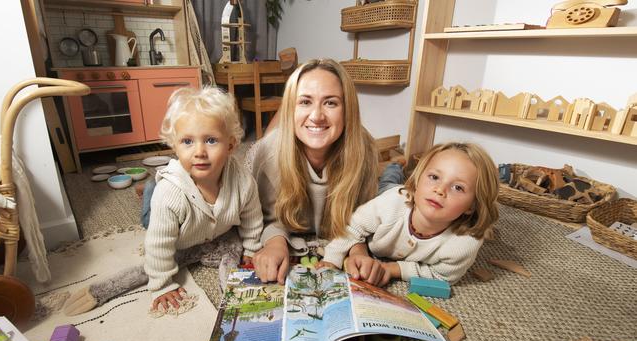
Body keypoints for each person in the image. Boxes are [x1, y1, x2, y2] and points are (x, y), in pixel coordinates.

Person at [64, 86, 263, 315]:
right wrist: (162, 284)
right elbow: (158, 245)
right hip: (174, 223)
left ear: (231, 145)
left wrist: (251, 247)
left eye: (210, 140)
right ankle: (149, 188)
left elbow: (252, 216)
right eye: (187, 141)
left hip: (208, 224)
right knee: (152, 213)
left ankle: (148, 185)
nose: (199, 151)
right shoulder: (170, 194)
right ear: (174, 146)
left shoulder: (242, 181)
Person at [247, 58, 380, 284]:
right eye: (305, 102)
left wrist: (357, 249)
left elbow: (361, 215)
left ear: (348, 109)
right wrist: (275, 241)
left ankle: (398, 165)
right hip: (278, 144)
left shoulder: (364, 148)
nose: (317, 115)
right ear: (291, 108)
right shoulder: (265, 154)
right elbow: (259, 218)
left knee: (391, 185)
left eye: (331, 103)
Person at [320, 142, 499, 287]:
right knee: (387, 182)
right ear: (418, 179)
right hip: (398, 194)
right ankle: (396, 165)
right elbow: (354, 226)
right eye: (434, 177)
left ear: (471, 206)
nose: (440, 190)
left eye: (457, 187)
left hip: (410, 197)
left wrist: (392, 269)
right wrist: (331, 261)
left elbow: (443, 276)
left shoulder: (464, 244)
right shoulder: (390, 203)